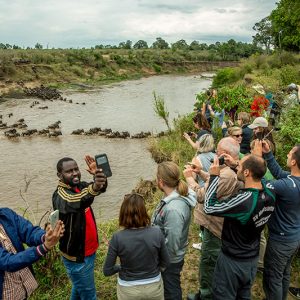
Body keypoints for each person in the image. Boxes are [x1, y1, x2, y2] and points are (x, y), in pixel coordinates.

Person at [204, 154, 276, 300]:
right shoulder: (270, 191)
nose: (237, 166)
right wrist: (236, 164)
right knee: (243, 294)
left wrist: (214, 176)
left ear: (247, 172)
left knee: (223, 295)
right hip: (251, 258)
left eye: (240, 166)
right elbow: (258, 174)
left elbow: (209, 207)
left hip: (232, 261)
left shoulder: (244, 201)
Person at [184, 137, 243, 300]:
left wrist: (189, 179)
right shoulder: (228, 171)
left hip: (215, 227)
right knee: (211, 260)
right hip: (218, 226)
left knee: (208, 262)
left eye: (217, 151)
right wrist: (200, 172)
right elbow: (212, 184)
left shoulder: (226, 175)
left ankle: (206, 294)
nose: (215, 154)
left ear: (224, 154)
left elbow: (203, 195)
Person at [52, 156, 107, 300]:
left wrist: (98, 175)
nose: (75, 173)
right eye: (69, 171)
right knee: (89, 295)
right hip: (76, 257)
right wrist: (94, 187)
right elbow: (77, 200)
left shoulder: (79, 186)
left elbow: (98, 189)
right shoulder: (60, 195)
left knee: (79, 289)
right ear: (60, 175)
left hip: (88, 250)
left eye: (76, 169)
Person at [103, 193, 170, 300]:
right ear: (144, 211)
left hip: (128, 290)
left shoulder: (117, 237)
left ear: (123, 213)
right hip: (153, 287)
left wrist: (121, 267)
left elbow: (107, 271)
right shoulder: (156, 232)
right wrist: (155, 269)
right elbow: (166, 262)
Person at [256, 142, 300, 300]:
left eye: (290, 153)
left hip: (280, 240)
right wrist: (268, 154)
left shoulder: (286, 186)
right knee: (284, 273)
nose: (288, 155)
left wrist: (255, 159)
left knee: (272, 277)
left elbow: (258, 182)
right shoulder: (292, 180)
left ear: (294, 162)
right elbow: (280, 172)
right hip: (294, 237)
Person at [151, 161, 197, 300]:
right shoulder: (173, 195)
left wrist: (163, 263)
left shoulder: (174, 209)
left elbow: (172, 242)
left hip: (169, 260)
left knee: (171, 290)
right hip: (167, 256)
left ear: (160, 181)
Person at [0, 207, 64, 299]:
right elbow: (7, 262)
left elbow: (29, 232)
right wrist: (43, 248)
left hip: (23, 289)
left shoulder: (6, 214)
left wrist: (46, 236)